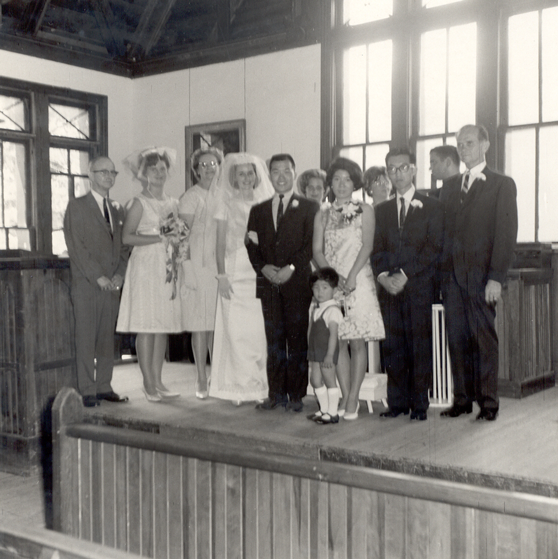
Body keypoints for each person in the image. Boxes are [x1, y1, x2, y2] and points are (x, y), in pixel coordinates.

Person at [439, 124, 518, 421]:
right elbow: (441, 235)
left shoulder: (502, 184)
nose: (463, 149)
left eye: (469, 143)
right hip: (452, 280)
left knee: (483, 340)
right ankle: (461, 400)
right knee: (456, 339)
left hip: (483, 278)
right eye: (459, 144)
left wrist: (495, 277)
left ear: (485, 145)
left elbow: (506, 235)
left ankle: (488, 403)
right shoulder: (448, 186)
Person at [372, 147, 443, 421]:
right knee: (393, 345)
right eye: (391, 169)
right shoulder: (382, 210)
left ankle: (419, 405)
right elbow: (375, 249)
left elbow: (434, 246)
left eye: (402, 168)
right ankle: (397, 402)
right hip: (388, 287)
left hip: (418, 285)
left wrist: (405, 274)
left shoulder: (433, 205)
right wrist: (383, 277)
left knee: (419, 344)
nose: (397, 174)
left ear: (413, 169)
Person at [313, 157, 385, 420]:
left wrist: (351, 276)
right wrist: (333, 278)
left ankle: (354, 398)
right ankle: (344, 393)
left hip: (358, 279)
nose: (342, 184)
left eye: (347, 179)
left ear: (354, 183)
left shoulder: (365, 210)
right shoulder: (322, 213)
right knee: (338, 339)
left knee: (357, 340)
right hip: (333, 283)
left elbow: (367, 245)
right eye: (336, 179)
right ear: (330, 183)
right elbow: (317, 250)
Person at [246, 153, 318, 412]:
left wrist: (291, 268)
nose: (281, 176)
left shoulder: (310, 207)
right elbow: (251, 245)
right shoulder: (258, 210)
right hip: (268, 283)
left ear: (294, 173)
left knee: (297, 339)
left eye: (286, 171)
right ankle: (276, 394)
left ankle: (297, 395)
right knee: (274, 340)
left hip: (297, 282)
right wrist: (263, 267)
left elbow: (310, 245)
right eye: (275, 171)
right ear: (269, 174)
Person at [116, 147, 182, 403]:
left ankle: (159, 379)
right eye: (152, 169)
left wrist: (177, 248)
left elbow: (179, 235)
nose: (158, 173)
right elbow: (127, 237)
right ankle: (148, 383)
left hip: (166, 265)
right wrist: (160, 236)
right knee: (147, 325)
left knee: (161, 325)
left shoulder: (174, 202)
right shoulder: (138, 203)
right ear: (143, 174)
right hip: (145, 266)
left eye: (162, 169)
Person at [64, 156, 129, 408]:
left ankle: (104, 386)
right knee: (86, 338)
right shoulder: (77, 206)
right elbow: (76, 247)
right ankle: (87, 389)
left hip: (111, 285)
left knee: (105, 339)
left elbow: (123, 248)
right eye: (103, 172)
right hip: (87, 285)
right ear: (90, 175)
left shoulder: (117, 208)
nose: (109, 176)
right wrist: (97, 276)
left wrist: (119, 275)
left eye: (113, 172)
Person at [209, 153, 273, 405]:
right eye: (241, 174)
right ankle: (238, 386)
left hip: (259, 271)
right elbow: (220, 244)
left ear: (257, 176)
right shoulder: (225, 203)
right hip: (235, 270)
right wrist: (222, 275)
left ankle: (258, 385)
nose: (246, 178)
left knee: (258, 331)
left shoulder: (266, 202)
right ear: (233, 178)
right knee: (235, 330)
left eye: (250, 173)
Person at [179, 147, 224, 399]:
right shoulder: (190, 197)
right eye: (204, 165)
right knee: (200, 323)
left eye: (213, 164)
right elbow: (181, 236)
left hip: (219, 265)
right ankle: (200, 377)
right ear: (196, 170)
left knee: (217, 323)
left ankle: (216, 374)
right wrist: (187, 269)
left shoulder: (224, 194)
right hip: (197, 263)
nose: (209, 169)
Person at [307, 267, 344, 425]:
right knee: (315, 380)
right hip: (315, 352)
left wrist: (329, 355)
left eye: (324, 288)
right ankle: (323, 409)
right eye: (316, 288)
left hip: (327, 353)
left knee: (329, 381)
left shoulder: (332, 310)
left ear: (334, 290)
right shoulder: (315, 309)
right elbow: (311, 331)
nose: (319, 292)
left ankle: (333, 413)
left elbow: (334, 335)